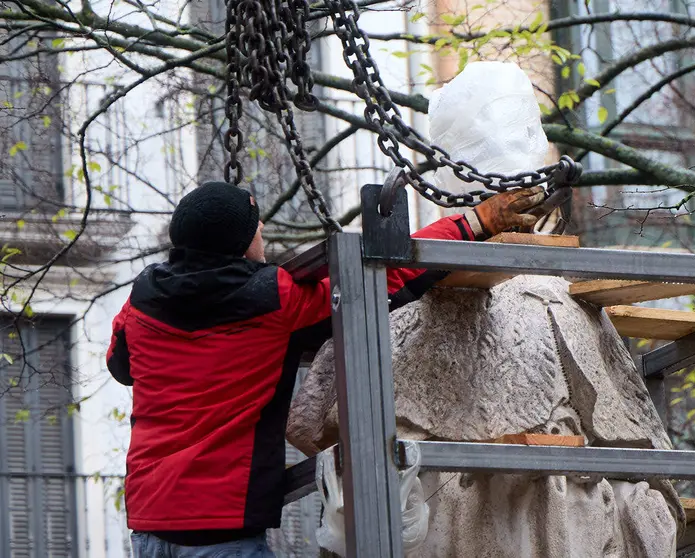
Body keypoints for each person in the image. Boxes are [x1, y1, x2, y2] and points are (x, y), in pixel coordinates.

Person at [106, 180, 545, 557]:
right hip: (220, 526)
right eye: (257, 229)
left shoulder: (141, 300)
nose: (263, 235)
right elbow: (378, 279)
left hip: (149, 523)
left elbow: (120, 365)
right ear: (240, 242)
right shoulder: (271, 298)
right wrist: (473, 223)